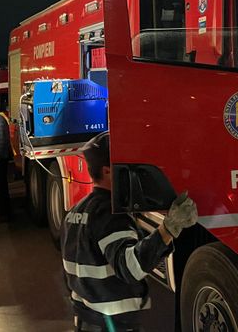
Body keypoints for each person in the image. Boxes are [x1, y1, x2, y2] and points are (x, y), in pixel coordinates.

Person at [61, 132, 198, 332]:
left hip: (87, 320)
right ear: (107, 171)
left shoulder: (75, 212)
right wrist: (169, 228)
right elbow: (131, 268)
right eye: (125, 166)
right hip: (113, 325)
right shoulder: (109, 215)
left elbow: (70, 276)